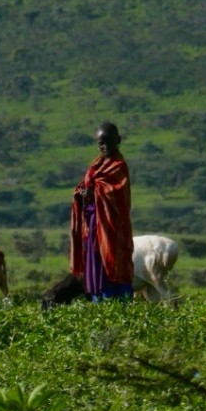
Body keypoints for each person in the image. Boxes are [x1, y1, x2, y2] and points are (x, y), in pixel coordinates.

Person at [70, 121, 134, 302]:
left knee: (115, 264)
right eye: (100, 143)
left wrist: (94, 192)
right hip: (93, 229)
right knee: (96, 266)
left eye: (108, 142)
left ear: (118, 140)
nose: (104, 146)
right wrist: (82, 194)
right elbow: (85, 188)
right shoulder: (95, 166)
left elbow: (116, 193)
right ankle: (99, 304)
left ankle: (121, 304)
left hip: (113, 230)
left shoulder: (119, 166)